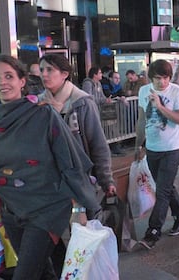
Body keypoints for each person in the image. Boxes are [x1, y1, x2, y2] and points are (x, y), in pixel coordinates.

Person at [0, 54, 100, 280]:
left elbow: (70, 161)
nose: (2, 82)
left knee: (25, 274)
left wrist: (80, 208)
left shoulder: (43, 115)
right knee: (41, 272)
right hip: (11, 210)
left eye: (8, 76)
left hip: (46, 208)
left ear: (22, 81)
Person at [37, 53, 117, 276]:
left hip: (78, 183)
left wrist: (106, 179)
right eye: (41, 69)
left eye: (49, 70)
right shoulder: (38, 103)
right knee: (50, 240)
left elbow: (98, 144)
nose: (44, 74)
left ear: (64, 74)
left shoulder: (81, 103)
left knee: (81, 237)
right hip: (48, 184)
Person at [134, 59, 179, 249]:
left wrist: (160, 106)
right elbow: (142, 121)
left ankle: (153, 231)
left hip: (172, 148)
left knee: (163, 191)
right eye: (158, 78)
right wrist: (138, 145)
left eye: (165, 78)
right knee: (165, 186)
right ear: (151, 78)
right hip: (152, 148)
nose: (162, 82)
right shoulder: (143, 91)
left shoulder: (178, 92)